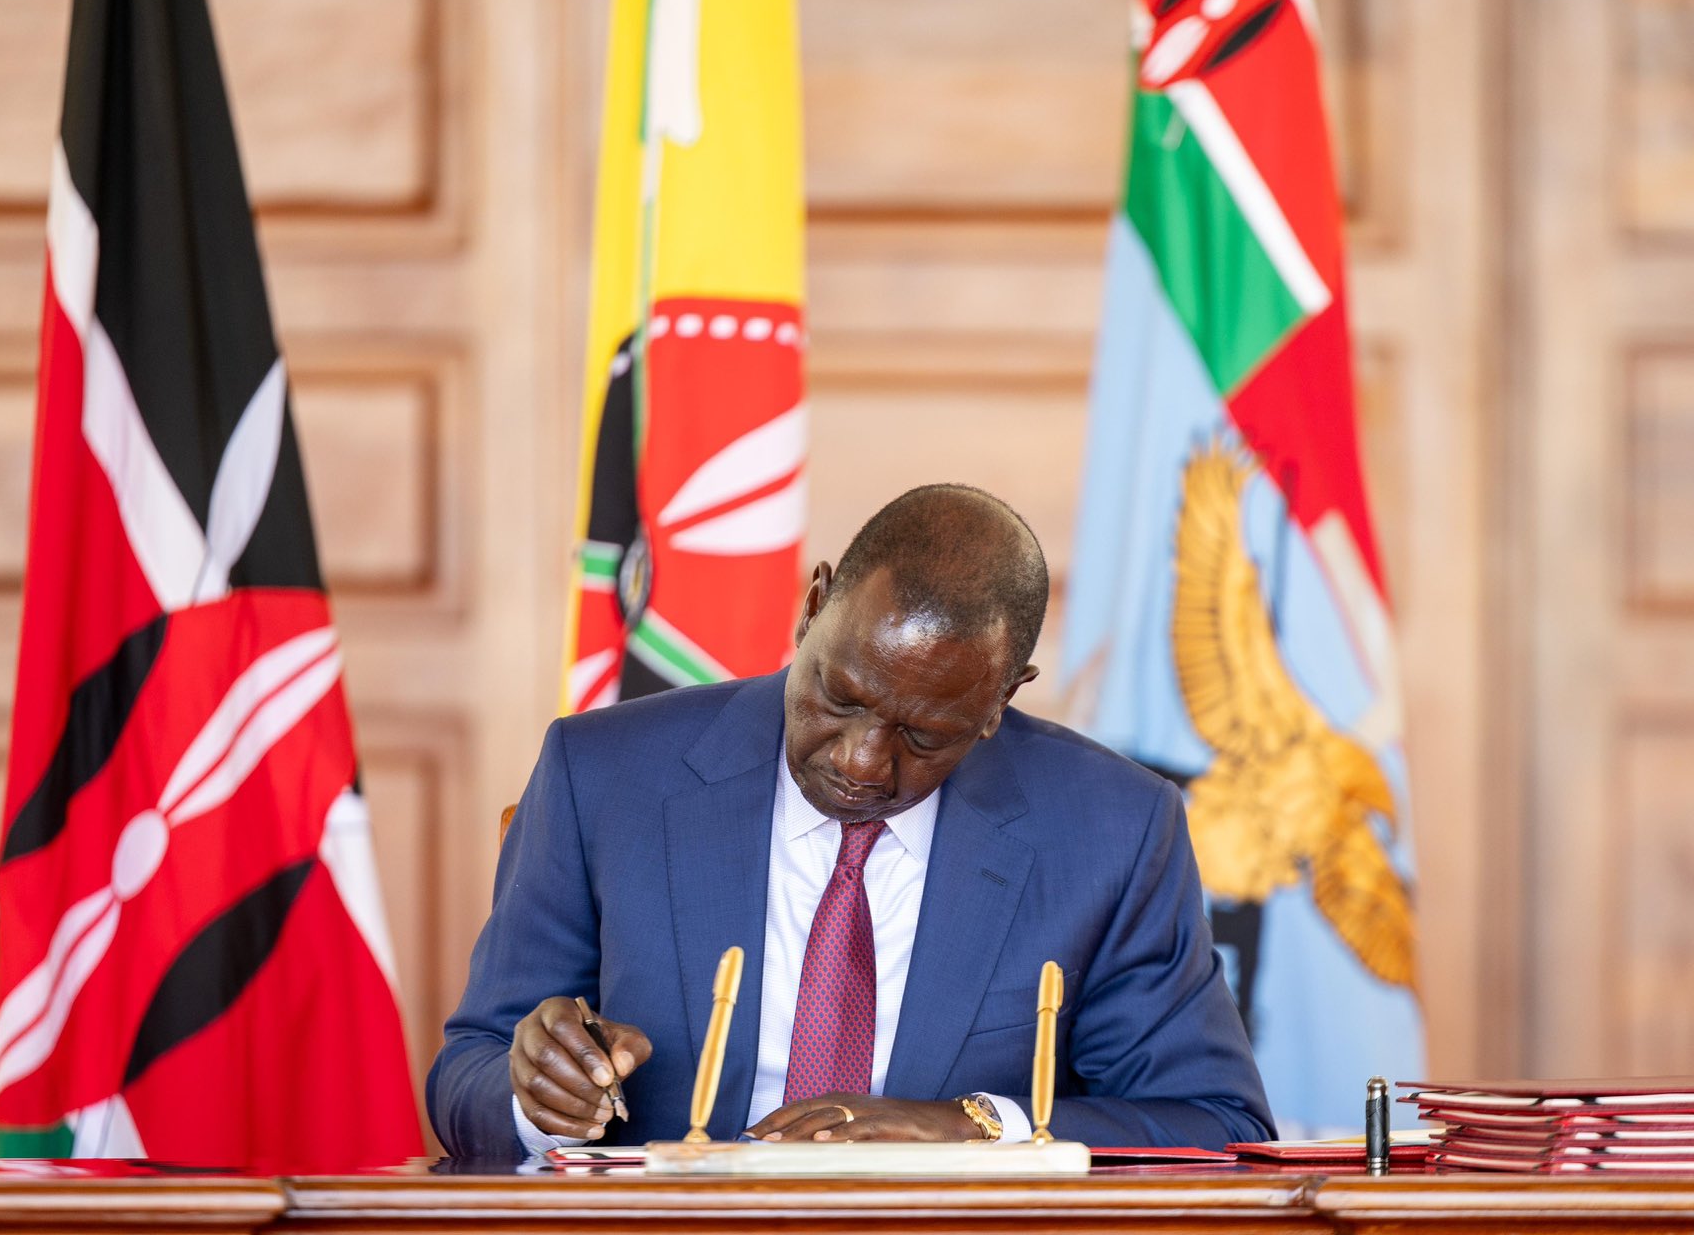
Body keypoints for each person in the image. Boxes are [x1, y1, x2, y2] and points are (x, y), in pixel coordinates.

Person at [427, 485, 1273, 1158]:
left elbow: (1212, 1119)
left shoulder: (1112, 830)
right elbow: (467, 1069)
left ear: (1001, 699)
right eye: (840, 698)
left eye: (923, 735)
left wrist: (963, 1128)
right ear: (812, 608)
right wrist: (535, 1096)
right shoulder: (606, 776)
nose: (863, 762)